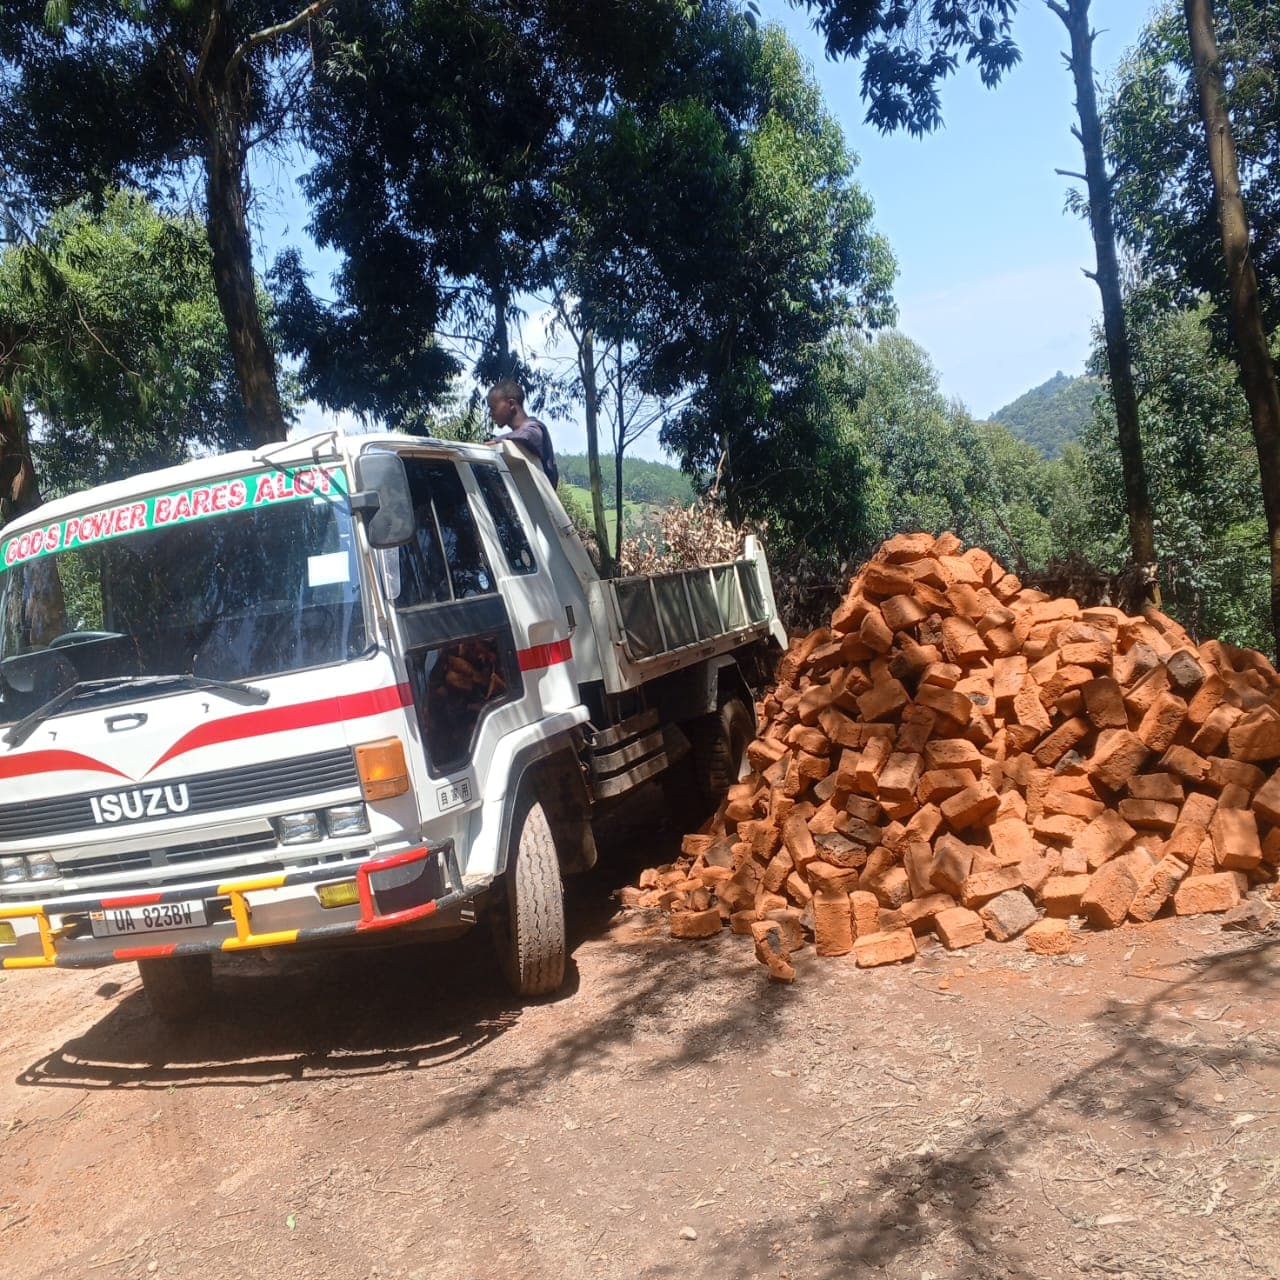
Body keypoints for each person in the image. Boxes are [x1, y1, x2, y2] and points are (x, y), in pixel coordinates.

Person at [486, 379, 558, 486]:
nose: (490, 414)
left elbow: (528, 435)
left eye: (493, 408)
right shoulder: (515, 437)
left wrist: (494, 442)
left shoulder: (534, 427)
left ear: (511, 404)